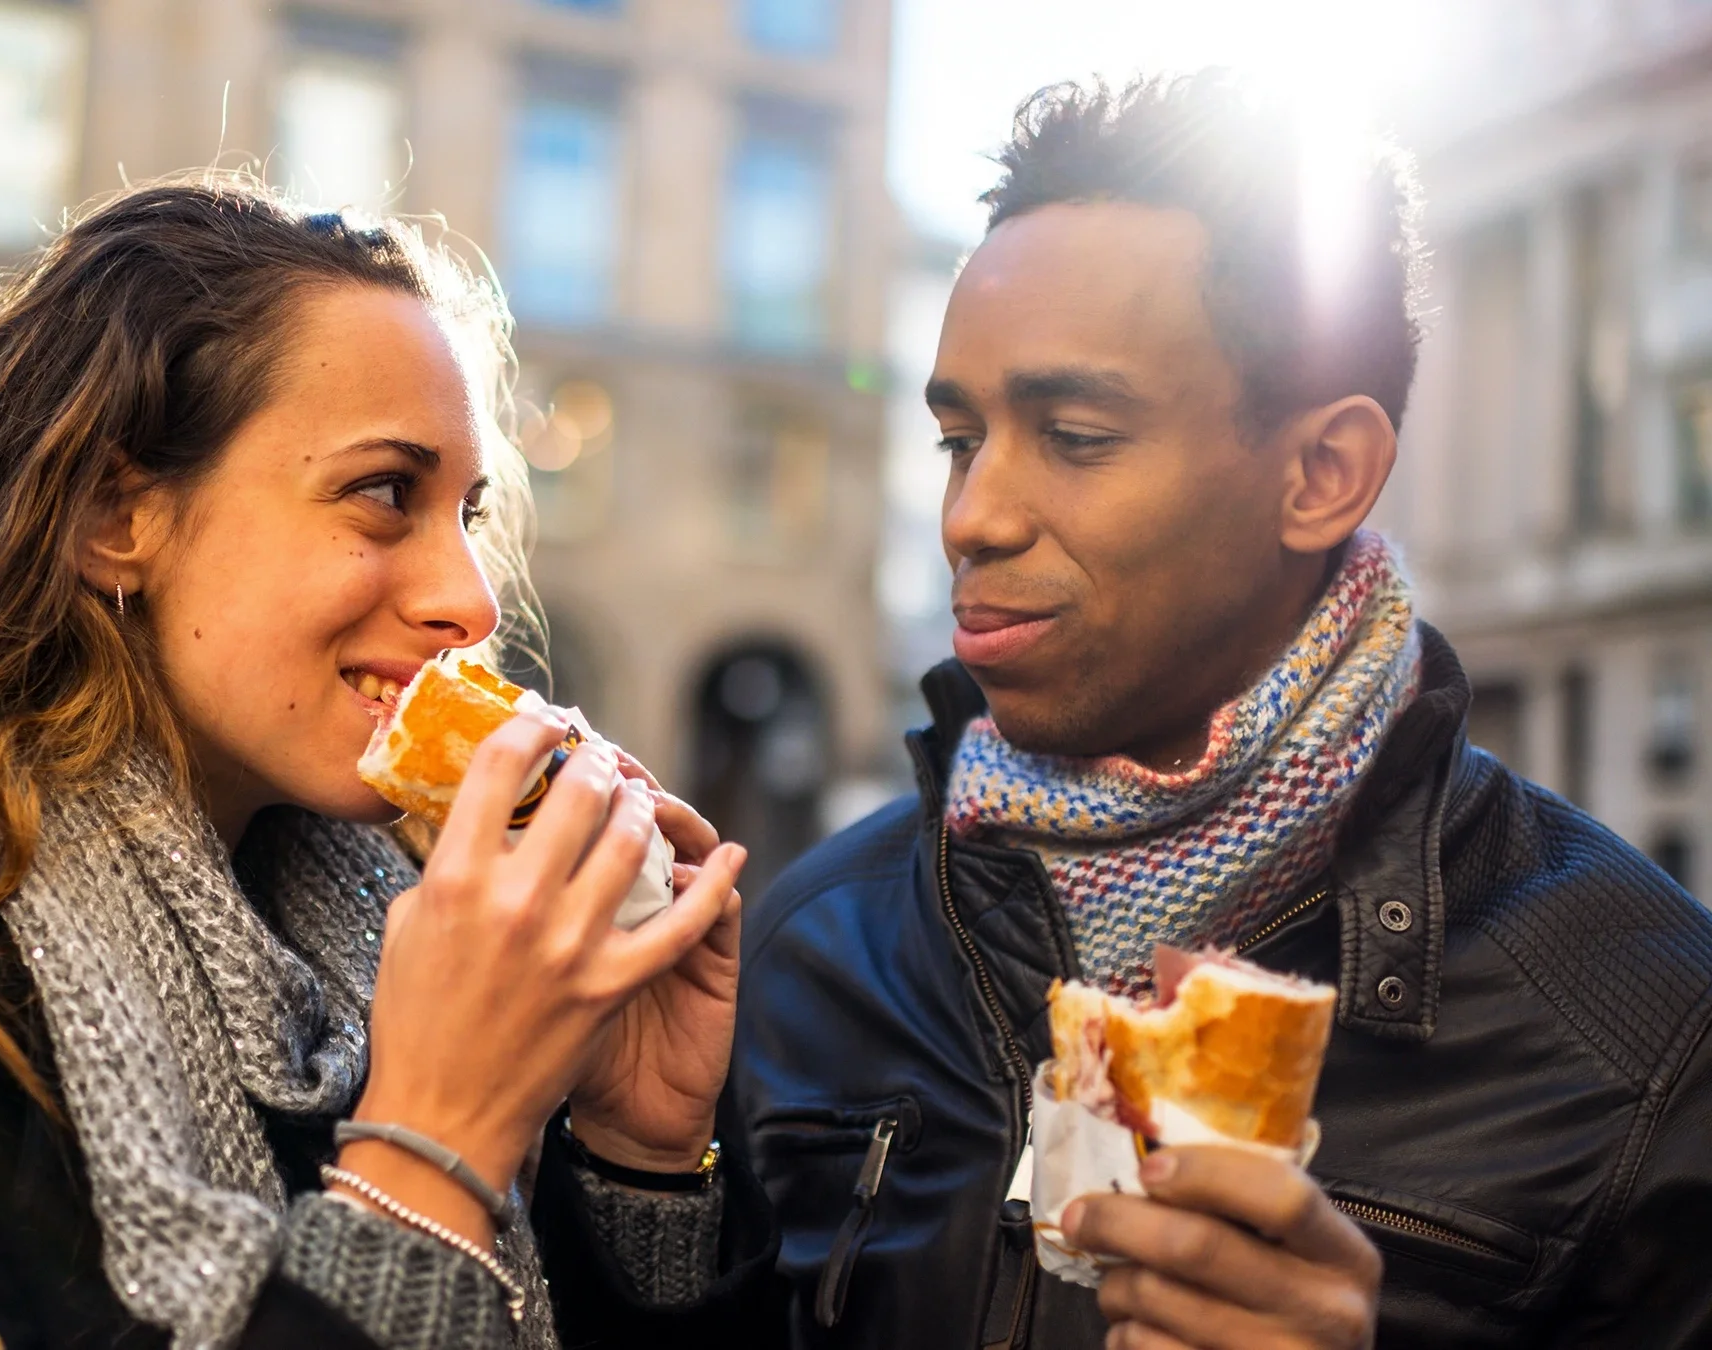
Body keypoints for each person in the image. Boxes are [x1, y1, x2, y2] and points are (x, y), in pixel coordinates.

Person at [541, 74, 1712, 1349]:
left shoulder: (1649, 1033)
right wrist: (641, 1183)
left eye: (1076, 436)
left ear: (1323, 472)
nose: (973, 517)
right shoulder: (813, 940)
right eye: (959, 440)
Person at [0, 176, 756, 1350]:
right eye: (385, 493)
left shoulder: (386, 967)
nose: (472, 601)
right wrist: (429, 1151)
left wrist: (638, 1157)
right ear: (117, 518)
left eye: (469, 514)